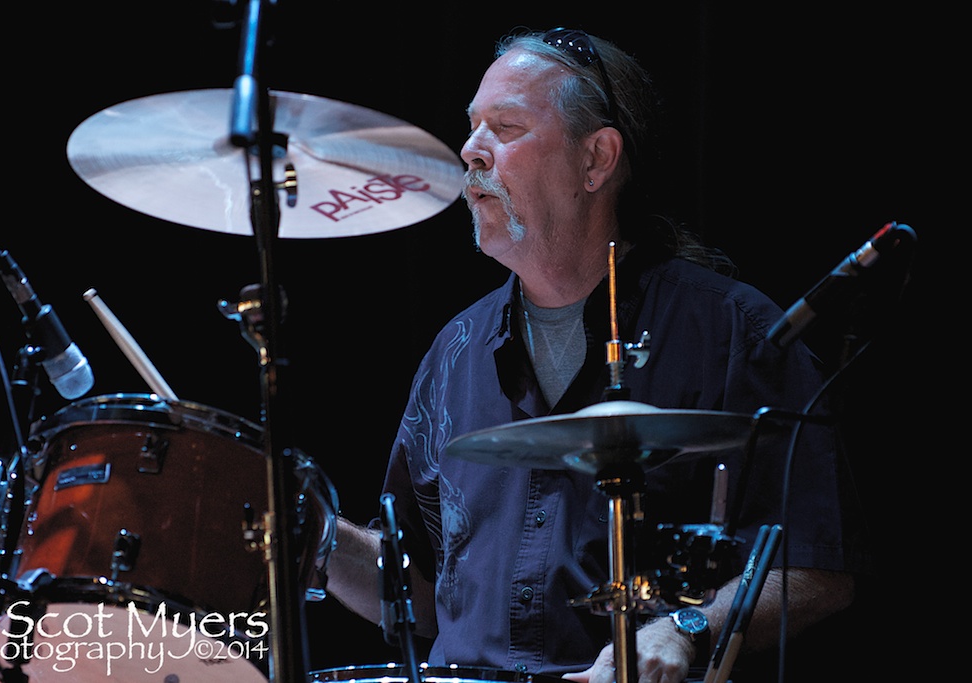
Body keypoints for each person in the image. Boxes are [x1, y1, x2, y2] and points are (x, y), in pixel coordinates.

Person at [324, 27, 866, 683]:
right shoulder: (454, 352)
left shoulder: (736, 334)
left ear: (597, 159)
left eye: (506, 127)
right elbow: (421, 591)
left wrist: (685, 629)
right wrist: (317, 533)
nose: (470, 150)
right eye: (472, 127)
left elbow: (814, 566)